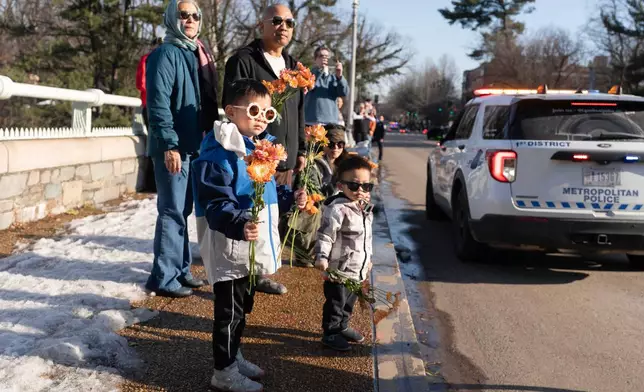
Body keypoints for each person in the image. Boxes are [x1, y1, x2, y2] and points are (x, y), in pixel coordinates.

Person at [192, 79, 307, 392]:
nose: (261, 117)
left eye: (268, 113)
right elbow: (215, 202)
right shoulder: (218, 155)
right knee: (228, 313)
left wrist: (289, 196)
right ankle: (223, 372)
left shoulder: (259, 150)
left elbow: (267, 189)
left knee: (242, 309)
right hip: (231, 244)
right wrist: (237, 222)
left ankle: (234, 355)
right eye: (254, 110)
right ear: (230, 111)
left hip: (250, 245)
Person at [222, 3, 306, 295]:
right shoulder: (244, 60)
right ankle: (245, 276)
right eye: (277, 20)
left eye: (289, 22)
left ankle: (263, 269)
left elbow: (299, 112)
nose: (283, 26)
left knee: (276, 215)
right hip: (256, 155)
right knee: (251, 213)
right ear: (263, 25)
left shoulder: (294, 66)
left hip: (286, 156)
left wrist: (302, 150)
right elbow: (231, 105)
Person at [145, 0, 217, 298]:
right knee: (172, 210)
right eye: (182, 15)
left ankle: (181, 270)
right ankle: (163, 278)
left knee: (183, 210)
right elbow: (158, 104)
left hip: (193, 144)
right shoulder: (165, 54)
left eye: (194, 15)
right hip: (174, 146)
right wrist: (169, 146)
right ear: (172, 19)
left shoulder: (195, 52)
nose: (189, 20)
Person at [315, 155, 374, 351]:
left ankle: (343, 326)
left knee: (349, 301)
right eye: (354, 186)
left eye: (366, 186)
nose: (361, 191)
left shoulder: (364, 208)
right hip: (338, 269)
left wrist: (368, 260)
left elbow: (366, 238)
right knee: (336, 303)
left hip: (357, 269)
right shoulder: (337, 209)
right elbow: (325, 235)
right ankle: (330, 333)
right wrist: (322, 257)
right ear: (341, 185)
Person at [282, 125, 349, 267]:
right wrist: (336, 184)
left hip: (337, 209)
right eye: (331, 144)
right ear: (323, 144)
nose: (335, 148)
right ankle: (307, 252)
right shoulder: (313, 164)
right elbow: (316, 195)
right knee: (314, 211)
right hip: (316, 208)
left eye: (340, 144)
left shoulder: (345, 164)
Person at [304, 46, 349, 126]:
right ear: (315, 59)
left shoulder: (334, 77)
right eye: (321, 56)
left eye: (327, 57)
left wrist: (340, 76)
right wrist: (321, 71)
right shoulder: (308, 74)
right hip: (311, 121)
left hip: (331, 122)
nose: (325, 58)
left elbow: (344, 92)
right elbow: (310, 86)